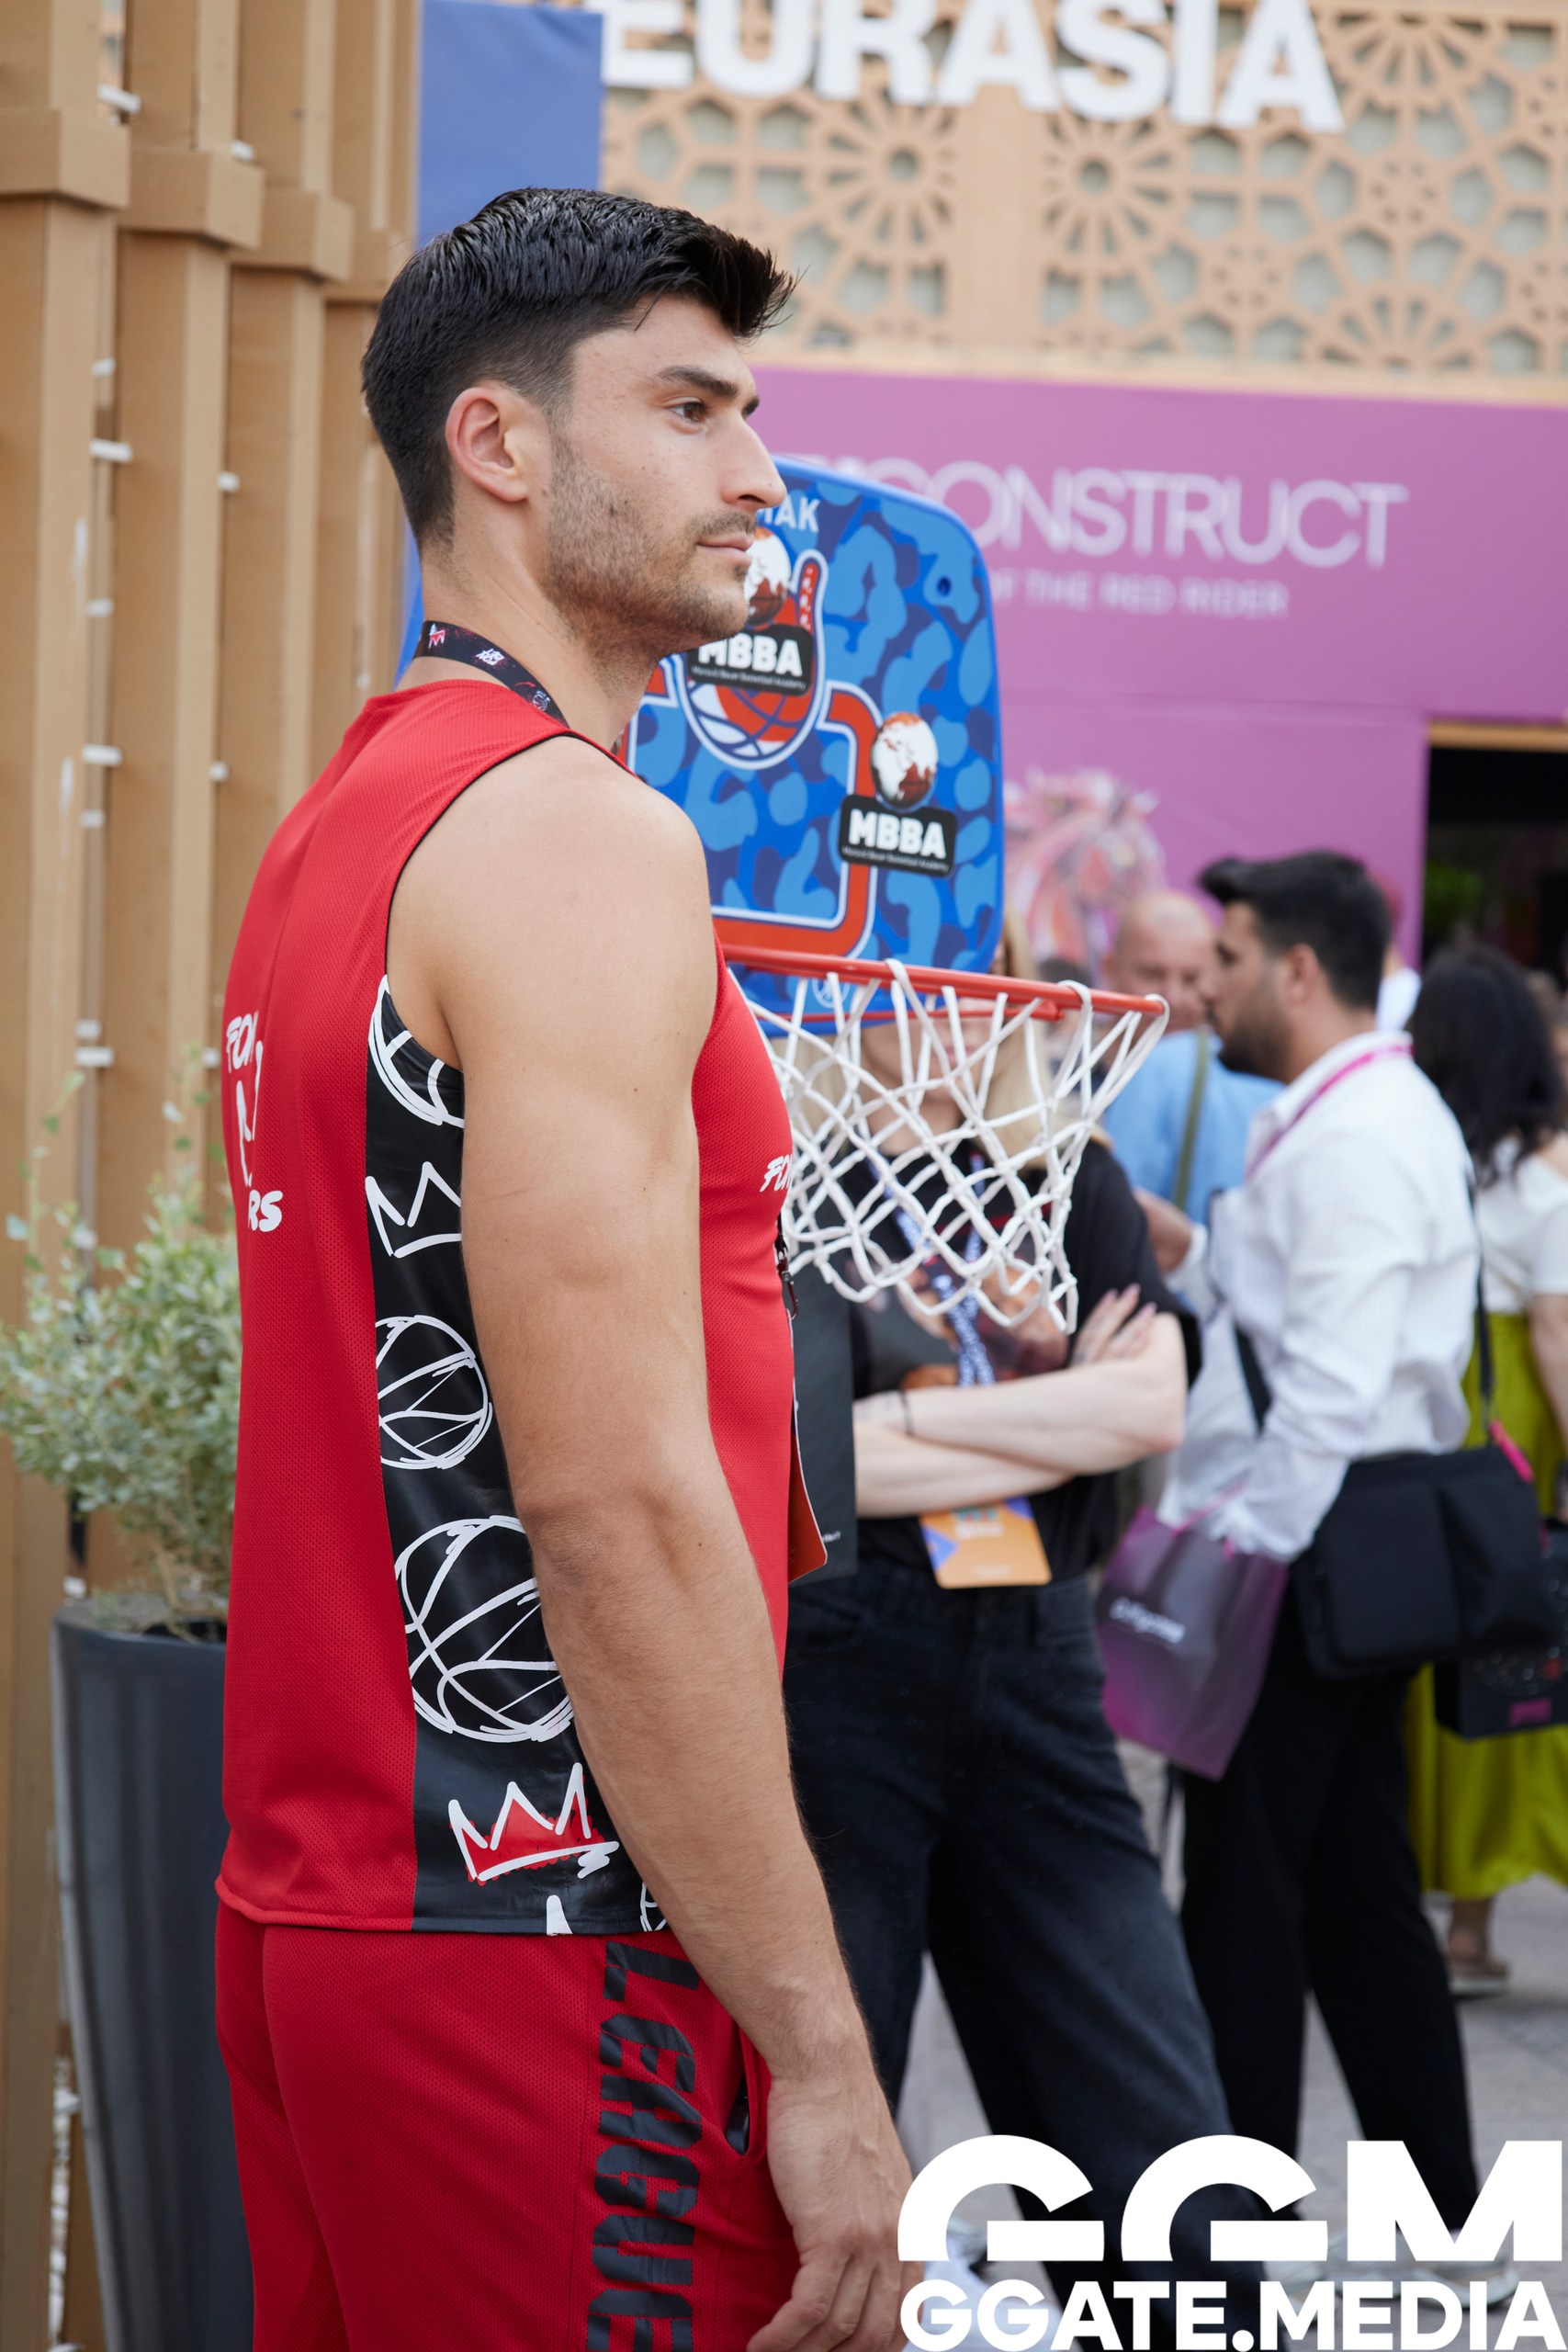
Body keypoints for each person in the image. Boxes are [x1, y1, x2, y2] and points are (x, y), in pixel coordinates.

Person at [216, 189, 911, 2352]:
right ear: (500, 444)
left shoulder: (342, 830)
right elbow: (609, 1504)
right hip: (534, 1930)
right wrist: (817, 2048)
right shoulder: (573, 839)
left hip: (332, 1906)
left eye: (749, 413)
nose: (757, 473)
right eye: (689, 410)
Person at [784, 934, 1265, 2343]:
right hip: (835, 1668)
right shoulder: (787, 1181)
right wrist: (1043, 1421)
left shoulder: (1064, 1173)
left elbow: (1146, 1411)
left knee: (1162, 2148)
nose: (922, 999)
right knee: (828, 2143)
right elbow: (800, 1468)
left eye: (955, 965)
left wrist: (895, 1424)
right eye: (885, 969)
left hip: (1041, 1663)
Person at [1155, 853, 1486, 2263]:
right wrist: (1194, 1253)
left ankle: (1228, 2245)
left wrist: (1229, 1572)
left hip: (1302, 1564)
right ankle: (1446, 2222)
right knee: (1355, 1903)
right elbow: (1290, 1325)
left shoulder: (1355, 1135)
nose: (1204, 987)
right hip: (1334, 1563)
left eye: (1225, 960)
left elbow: (1330, 1394)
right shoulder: (1352, 1114)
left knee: (1243, 1912)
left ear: (1296, 972)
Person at [1405, 946, 1568, 1994]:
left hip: (1423, 1404)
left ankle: (1401, 1892)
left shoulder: (1416, 1149)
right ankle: (1468, 1924)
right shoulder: (1547, 1178)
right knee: (1503, 1653)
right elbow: (1555, 1331)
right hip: (1506, 1423)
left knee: (1412, 1646)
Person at [1100, 890, 1277, 1230]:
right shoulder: (1050, 1079)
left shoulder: (1254, 1088)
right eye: (1152, 974)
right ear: (1109, 970)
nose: (1174, 997)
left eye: (1193, 978)